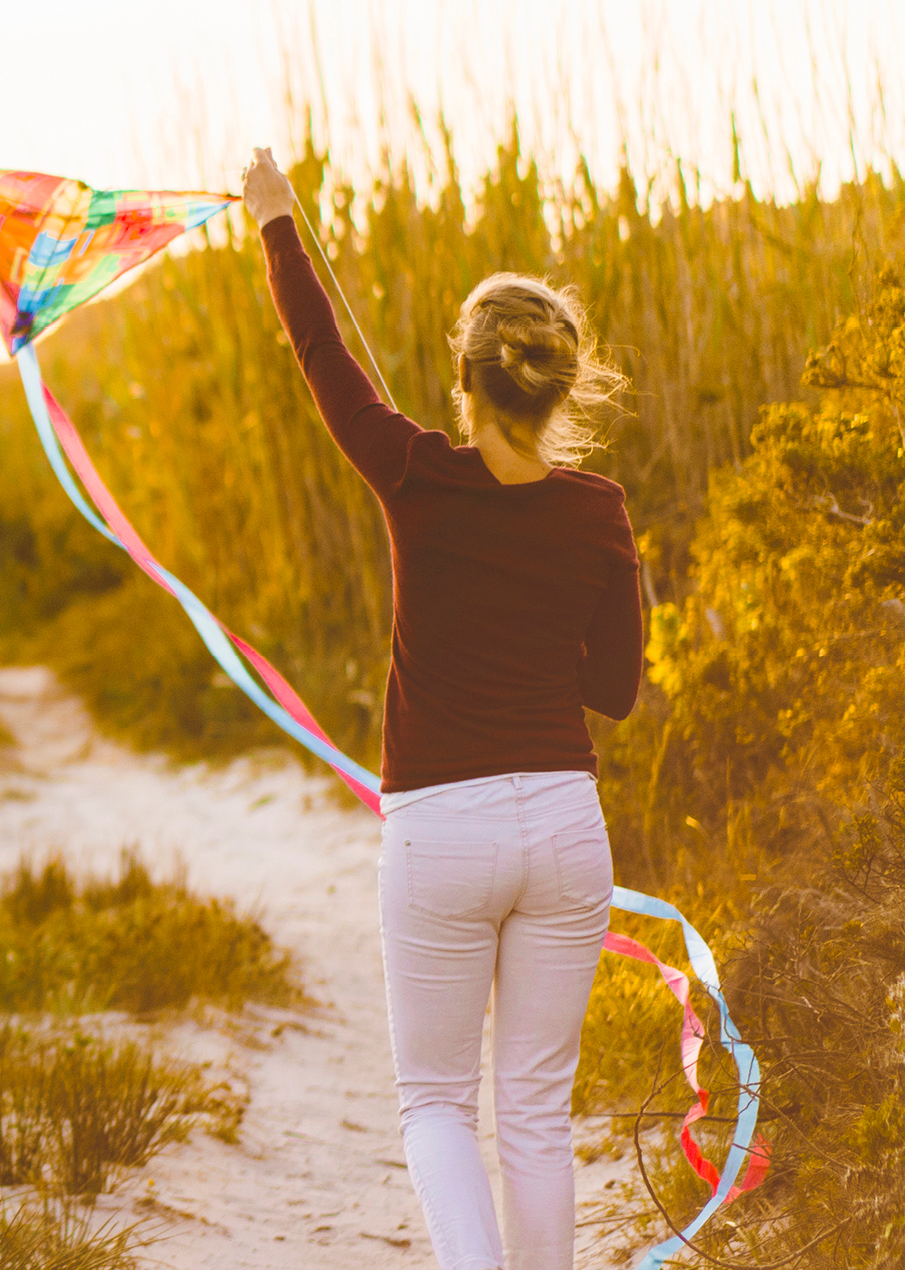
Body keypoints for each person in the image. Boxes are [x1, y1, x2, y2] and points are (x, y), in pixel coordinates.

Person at [240, 147, 645, 1270]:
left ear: (460, 378)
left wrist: (277, 223)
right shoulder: (598, 508)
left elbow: (324, 363)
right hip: (564, 826)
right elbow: (612, 689)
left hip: (439, 831)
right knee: (534, 1114)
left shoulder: (413, 472)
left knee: (432, 1104)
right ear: (558, 386)